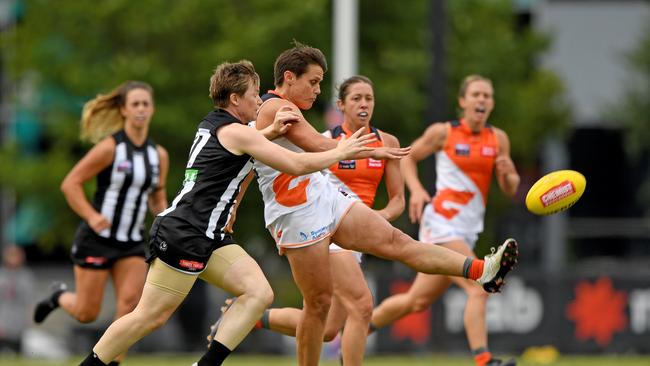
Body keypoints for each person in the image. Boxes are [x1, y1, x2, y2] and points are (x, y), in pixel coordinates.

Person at [77, 60, 378, 366]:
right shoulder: (235, 131)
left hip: (211, 236)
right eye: (254, 94)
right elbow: (296, 164)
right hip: (186, 233)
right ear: (235, 99)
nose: (259, 100)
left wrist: (273, 129)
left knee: (258, 293)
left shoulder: (221, 125)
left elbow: (250, 143)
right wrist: (340, 152)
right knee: (149, 316)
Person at [246, 43, 519, 366]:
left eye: (321, 83)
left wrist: (370, 153)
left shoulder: (300, 115)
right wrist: (366, 149)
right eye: (314, 82)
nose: (318, 90)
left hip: (324, 197)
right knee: (322, 307)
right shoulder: (275, 108)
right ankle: (253, 318)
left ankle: (482, 270)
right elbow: (320, 145)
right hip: (297, 213)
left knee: (397, 242)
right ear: (289, 78)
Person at [229, 75, 405, 366]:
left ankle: (254, 316)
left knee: (328, 329)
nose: (363, 104)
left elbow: (398, 200)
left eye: (369, 98)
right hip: (329, 227)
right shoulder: (322, 140)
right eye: (356, 99)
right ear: (341, 105)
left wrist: (375, 221)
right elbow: (255, 163)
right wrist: (235, 202)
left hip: (357, 229)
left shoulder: (387, 142)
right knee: (361, 306)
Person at [369, 75, 521, 366]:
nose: (481, 100)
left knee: (416, 301)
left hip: (466, 231)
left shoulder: (498, 138)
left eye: (487, 96)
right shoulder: (444, 132)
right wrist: (415, 191)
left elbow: (511, 188)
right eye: (475, 94)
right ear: (462, 101)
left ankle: (357, 327)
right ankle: (484, 359)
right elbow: (407, 157)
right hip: (441, 222)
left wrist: (507, 171)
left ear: (491, 104)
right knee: (480, 285)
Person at [33, 81, 169, 365]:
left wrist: (168, 224)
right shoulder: (110, 148)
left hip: (132, 241)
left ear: (152, 108)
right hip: (97, 238)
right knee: (87, 312)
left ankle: (110, 363)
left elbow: (157, 199)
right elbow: (70, 183)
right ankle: (59, 297)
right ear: (123, 110)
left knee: (130, 308)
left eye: (146, 103)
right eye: (135, 104)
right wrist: (92, 216)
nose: (141, 109)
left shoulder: (159, 156)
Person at [0, 245, 35, 354]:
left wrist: (30, 321)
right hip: (3, 321)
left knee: (18, 353)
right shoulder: (1, 276)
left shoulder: (26, 276)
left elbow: (29, 301)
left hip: (19, 322)